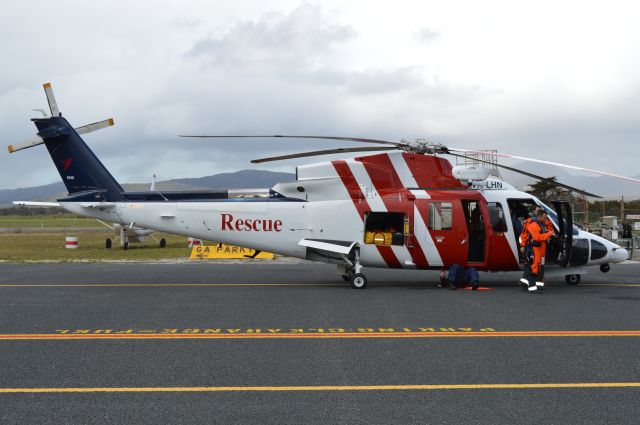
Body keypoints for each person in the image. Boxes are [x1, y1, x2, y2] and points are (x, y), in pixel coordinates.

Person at [522, 209, 556, 293]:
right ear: (539, 216)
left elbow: (549, 228)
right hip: (535, 248)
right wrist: (549, 234)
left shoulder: (542, 223)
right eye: (545, 217)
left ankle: (538, 285)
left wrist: (550, 232)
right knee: (535, 267)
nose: (546, 219)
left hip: (541, 249)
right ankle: (532, 287)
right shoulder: (534, 225)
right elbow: (537, 237)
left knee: (540, 267)